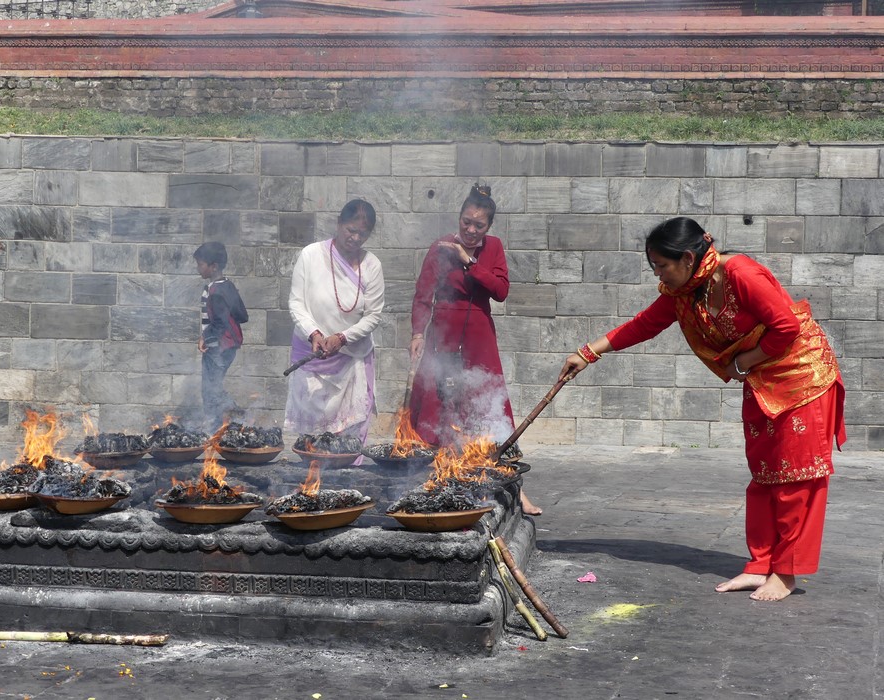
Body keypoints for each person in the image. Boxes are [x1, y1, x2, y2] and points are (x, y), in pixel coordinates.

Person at [559, 216, 846, 602]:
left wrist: (741, 364)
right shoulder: (684, 292)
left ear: (689, 258)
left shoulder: (741, 273)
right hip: (763, 378)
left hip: (803, 377)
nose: (658, 273)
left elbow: (786, 328)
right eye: (654, 266)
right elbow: (645, 324)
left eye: (662, 265)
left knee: (796, 479)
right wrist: (588, 352)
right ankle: (760, 565)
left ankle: (786, 573)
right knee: (763, 475)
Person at [409, 183, 542, 516]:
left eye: (478, 225)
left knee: (488, 404)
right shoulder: (439, 247)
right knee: (436, 402)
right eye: (465, 222)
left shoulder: (493, 248)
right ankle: (434, 478)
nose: (470, 229)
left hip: (479, 333)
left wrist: (468, 261)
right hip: (443, 331)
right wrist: (417, 332)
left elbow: (500, 290)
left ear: (488, 227)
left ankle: (512, 488)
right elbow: (424, 294)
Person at [285, 199, 385, 460]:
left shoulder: (371, 265)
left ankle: (349, 487)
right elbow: (296, 303)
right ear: (339, 224)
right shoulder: (310, 255)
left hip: (352, 358)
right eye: (350, 230)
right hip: (312, 355)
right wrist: (314, 334)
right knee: (314, 440)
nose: (354, 237)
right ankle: (311, 487)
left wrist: (343, 337)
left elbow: (373, 315)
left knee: (348, 440)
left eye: (362, 233)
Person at [194, 242, 249, 430]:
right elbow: (243, 315)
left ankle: (225, 420)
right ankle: (224, 421)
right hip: (229, 346)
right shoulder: (228, 286)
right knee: (213, 385)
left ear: (213, 266)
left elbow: (219, 322)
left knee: (209, 388)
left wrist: (204, 337)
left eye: (201, 264)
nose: (198, 268)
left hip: (218, 346)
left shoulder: (214, 291)